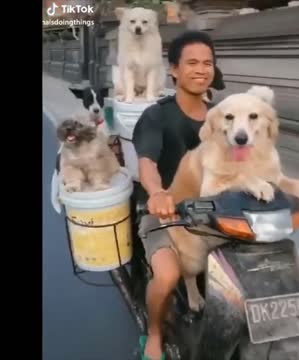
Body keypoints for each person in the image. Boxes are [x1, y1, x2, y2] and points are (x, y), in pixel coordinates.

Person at [131, 30, 217, 360]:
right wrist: (157, 193)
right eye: (192, 62)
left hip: (217, 210)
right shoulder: (157, 115)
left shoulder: (223, 115)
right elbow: (147, 162)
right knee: (167, 275)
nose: (201, 69)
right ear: (174, 70)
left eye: (208, 63)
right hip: (166, 212)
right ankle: (154, 332)